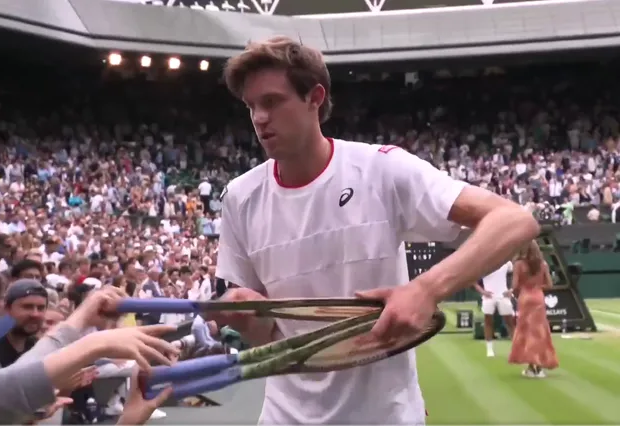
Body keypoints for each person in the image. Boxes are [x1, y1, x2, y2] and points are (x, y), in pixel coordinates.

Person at [212, 36, 540, 424]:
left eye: (271, 101)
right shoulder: (239, 197)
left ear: (314, 97)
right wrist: (248, 318)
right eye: (251, 106)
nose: (259, 118)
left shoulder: (381, 169)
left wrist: (425, 290)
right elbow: (267, 336)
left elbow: (515, 220)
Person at [508, 241, 559, 378]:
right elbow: (549, 284)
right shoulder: (543, 264)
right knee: (539, 332)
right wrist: (537, 286)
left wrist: (523, 288)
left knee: (527, 332)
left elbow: (515, 285)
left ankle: (532, 368)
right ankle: (539, 368)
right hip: (538, 298)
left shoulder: (518, 264)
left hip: (525, 299)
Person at [474, 261, 516, 357]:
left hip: (503, 296)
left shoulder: (507, 263)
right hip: (488, 296)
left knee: (510, 322)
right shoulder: (482, 264)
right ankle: (489, 350)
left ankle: (515, 349)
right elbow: (473, 281)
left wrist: (511, 290)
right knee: (488, 322)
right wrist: (483, 292)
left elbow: (517, 275)